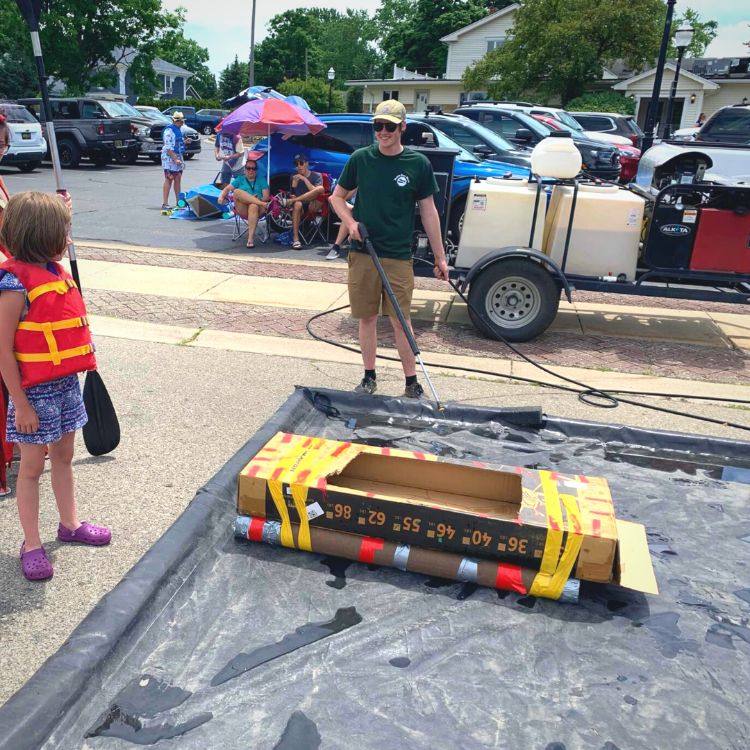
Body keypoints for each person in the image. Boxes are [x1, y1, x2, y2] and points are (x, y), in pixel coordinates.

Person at [0, 192, 111, 582]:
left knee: (64, 457)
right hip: (34, 395)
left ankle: (70, 523)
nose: (68, 239)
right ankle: (31, 544)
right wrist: (21, 404)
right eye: (63, 232)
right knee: (31, 468)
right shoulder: (13, 284)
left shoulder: (53, 272)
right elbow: (3, 351)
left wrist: (65, 207)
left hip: (65, 385)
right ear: (40, 235)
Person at [329, 99, 449, 399]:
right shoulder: (360, 159)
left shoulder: (417, 164)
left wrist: (440, 256)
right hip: (363, 252)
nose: (382, 132)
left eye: (389, 127)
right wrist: (350, 222)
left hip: (397, 255)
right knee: (367, 318)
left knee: (400, 319)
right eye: (378, 126)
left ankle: (411, 381)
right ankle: (369, 377)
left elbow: (429, 212)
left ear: (402, 128)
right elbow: (336, 197)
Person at [217, 159, 270, 248]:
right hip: (243, 208)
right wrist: (221, 197)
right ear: (245, 170)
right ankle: (256, 201)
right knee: (237, 191)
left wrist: (258, 199)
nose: (251, 170)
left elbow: (266, 197)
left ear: (256, 170)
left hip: (258, 208)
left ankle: (250, 239)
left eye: (253, 168)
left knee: (253, 206)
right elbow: (227, 189)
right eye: (248, 168)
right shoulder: (240, 179)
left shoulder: (261, 180)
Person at [287, 154, 324, 249]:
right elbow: (291, 194)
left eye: (301, 163)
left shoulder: (316, 176)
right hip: (300, 206)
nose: (299, 166)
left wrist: (303, 178)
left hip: (313, 204)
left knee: (320, 188)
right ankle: (296, 239)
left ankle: (296, 200)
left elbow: (315, 191)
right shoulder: (293, 176)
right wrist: (294, 186)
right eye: (296, 164)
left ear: (306, 164)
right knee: (297, 204)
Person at [161, 112, 186, 210]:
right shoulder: (169, 130)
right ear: (176, 121)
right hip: (169, 157)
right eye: (181, 121)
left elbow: (178, 141)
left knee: (178, 178)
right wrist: (175, 159)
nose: (182, 123)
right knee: (169, 178)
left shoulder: (179, 129)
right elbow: (168, 147)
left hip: (178, 155)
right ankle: (165, 203)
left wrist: (185, 141)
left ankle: (178, 202)